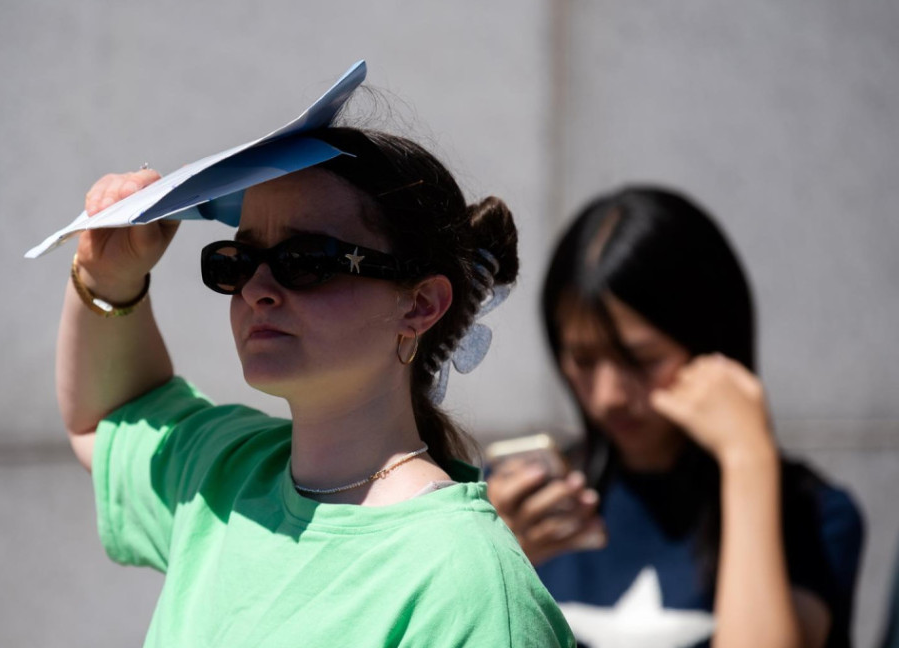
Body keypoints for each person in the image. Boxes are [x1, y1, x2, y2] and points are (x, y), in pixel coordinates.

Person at [57, 126, 574, 646]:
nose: (258, 289)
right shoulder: (225, 471)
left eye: (304, 260)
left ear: (420, 306)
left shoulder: (468, 587)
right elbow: (108, 418)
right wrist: (108, 275)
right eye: (235, 262)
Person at [488, 186, 863, 647]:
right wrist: (486, 562)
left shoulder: (813, 515)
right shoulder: (527, 506)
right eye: (583, 360)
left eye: (641, 360)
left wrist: (747, 456)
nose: (609, 397)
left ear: (711, 344)